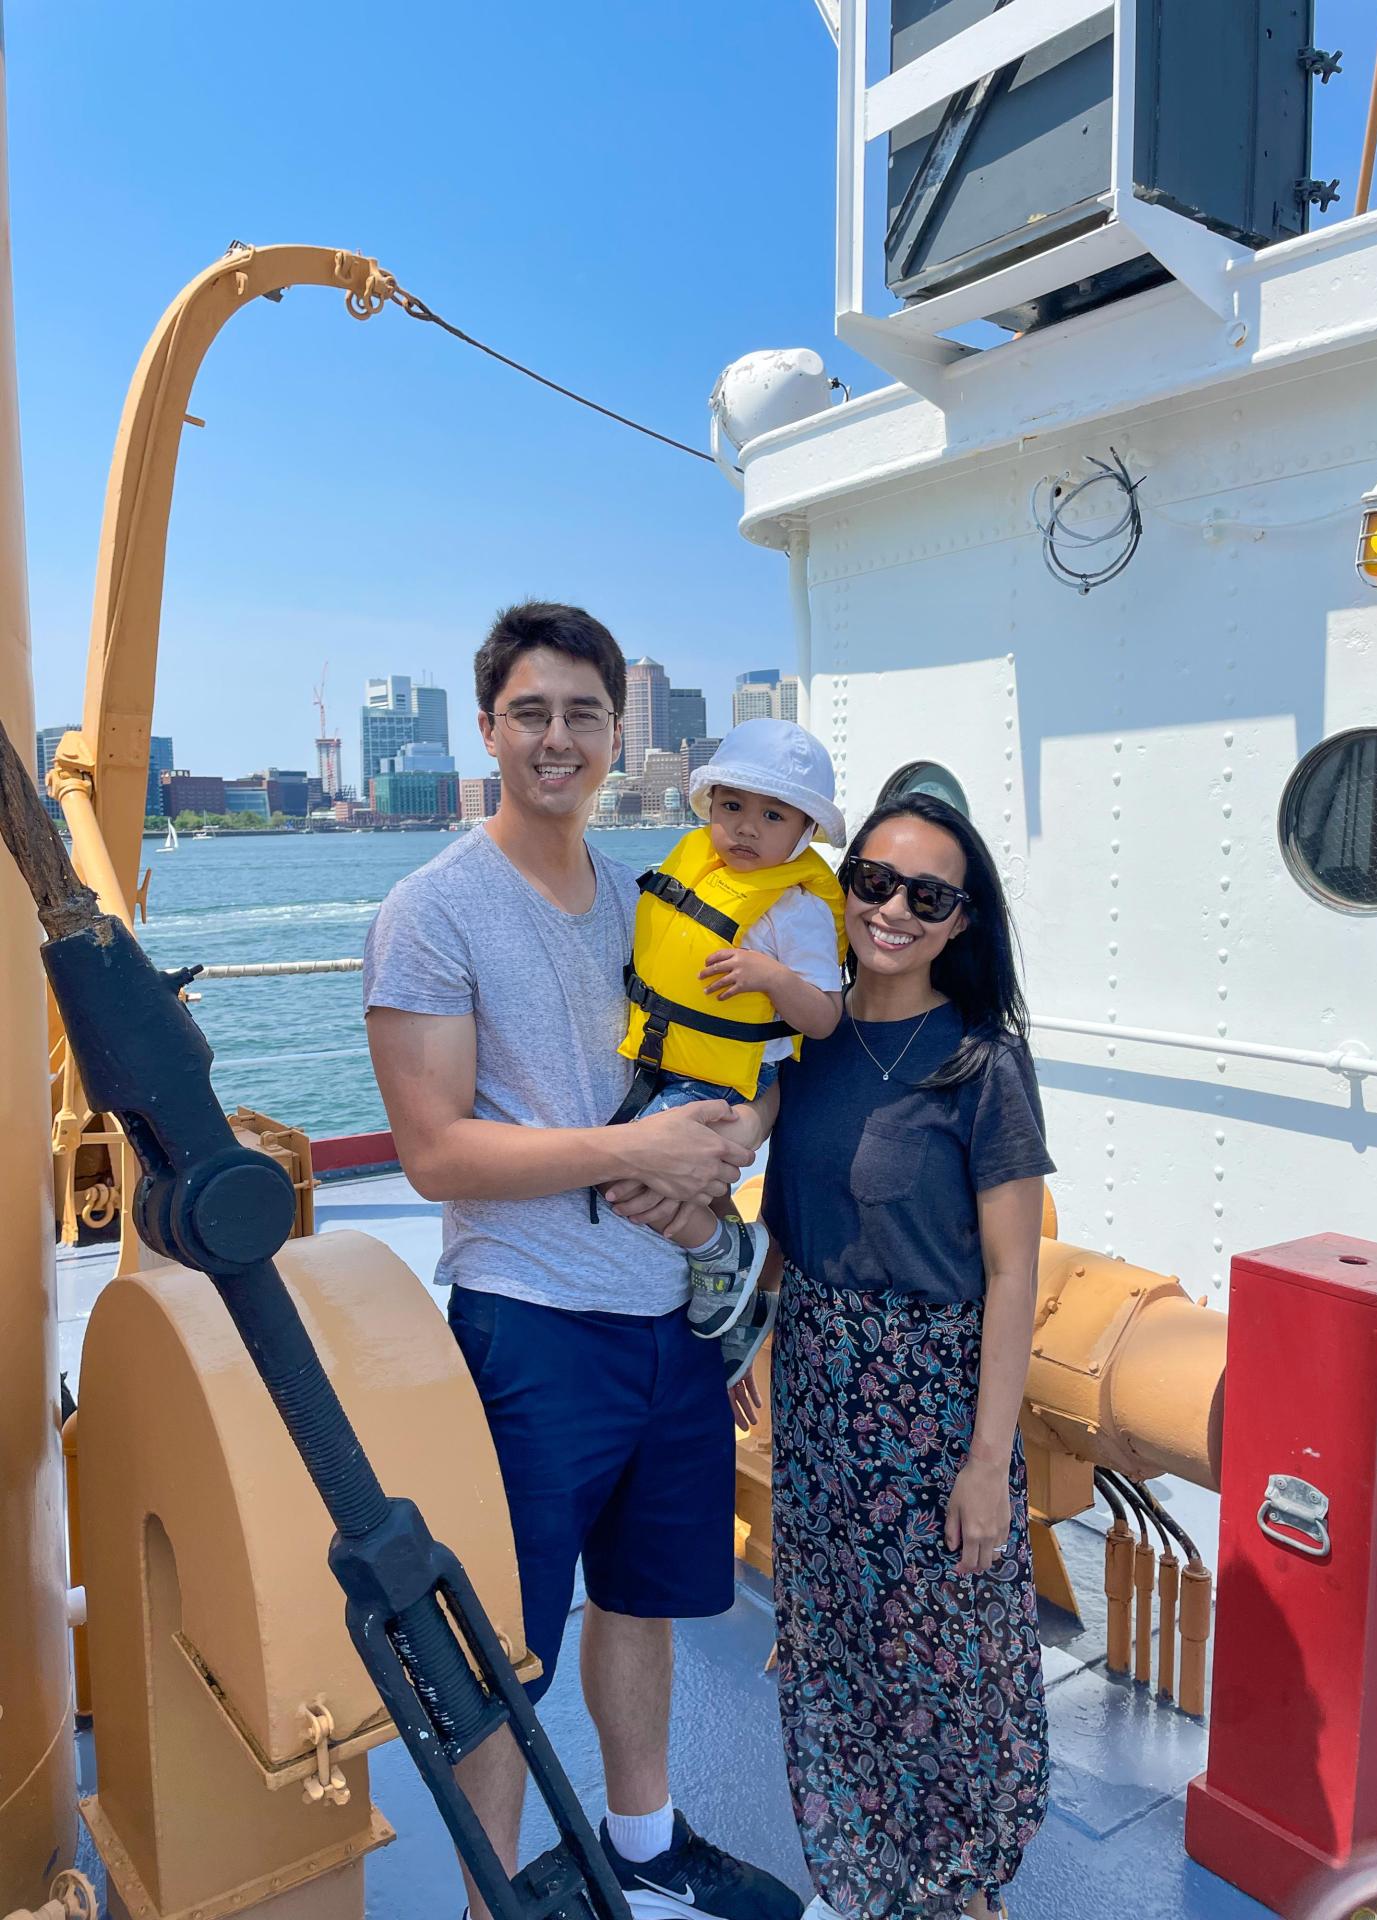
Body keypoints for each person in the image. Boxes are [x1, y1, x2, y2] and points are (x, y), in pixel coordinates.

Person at [364, 601, 801, 1920]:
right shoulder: (430, 911)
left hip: (670, 1318)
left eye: (584, 714)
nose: (559, 739)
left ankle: (646, 1836)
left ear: (618, 733)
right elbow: (437, 1153)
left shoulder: (653, 892)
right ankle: (498, 1896)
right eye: (532, 713)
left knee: (648, 1599)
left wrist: (718, 1156)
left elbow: (746, 1071)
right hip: (530, 1325)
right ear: (489, 726)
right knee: (504, 1648)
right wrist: (645, 1157)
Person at [733, 792, 1054, 1920]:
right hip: (820, 1388)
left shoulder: (981, 1066)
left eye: (929, 896)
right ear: (841, 884)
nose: (893, 910)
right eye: (873, 881)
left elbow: (1013, 1274)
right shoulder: (807, 1049)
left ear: (963, 921)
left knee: (949, 1663)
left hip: (932, 1401)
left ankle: (964, 1893)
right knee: (834, 1646)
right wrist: (744, 1334)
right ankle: (871, 1882)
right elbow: (784, 1226)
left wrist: (985, 1462)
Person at [613, 716, 846, 1357]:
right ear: (709, 805)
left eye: (775, 816)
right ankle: (738, 1299)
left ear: (805, 832)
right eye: (733, 805)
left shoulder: (794, 911)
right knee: (659, 1171)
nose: (746, 826)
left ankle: (722, 1252)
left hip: (727, 1073)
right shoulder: (696, 872)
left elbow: (824, 1017)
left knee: (627, 1176)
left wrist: (771, 976)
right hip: (672, 1059)